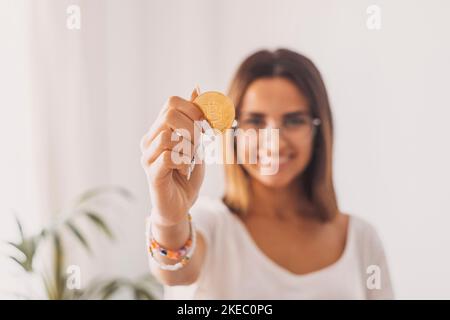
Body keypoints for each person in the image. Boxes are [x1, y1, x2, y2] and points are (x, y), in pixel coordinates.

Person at [140, 48, 394, 299]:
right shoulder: (210, 223)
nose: (275, 143)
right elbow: (176, 272)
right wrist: (168, 219)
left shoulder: (361, 239)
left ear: (318, 130)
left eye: (294, 121)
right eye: (255, 121)